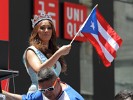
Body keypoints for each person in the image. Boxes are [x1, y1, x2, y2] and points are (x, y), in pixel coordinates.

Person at [23, 11, 71, 93]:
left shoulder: (53, 51)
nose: (46, 30)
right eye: (42, 28)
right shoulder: (31, 51)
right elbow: (40, 71)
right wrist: (59, 53)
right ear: (36, 31)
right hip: (38, 93)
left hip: (54, 94)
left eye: (49, 28)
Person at [2, 67, 84, 100]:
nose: (46, 93)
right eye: (42, 90)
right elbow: (25, 99)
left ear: (58, 81)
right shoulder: (44, 92)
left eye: (50, 89)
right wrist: (2, 92)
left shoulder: (71, 98)